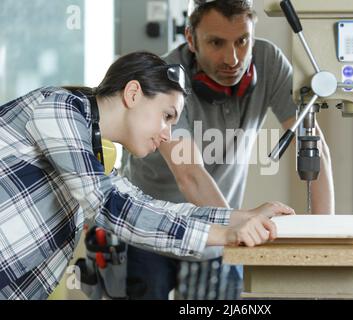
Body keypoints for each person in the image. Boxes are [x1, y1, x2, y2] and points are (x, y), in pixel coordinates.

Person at [0, 51, 295, 300]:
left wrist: (239, 218)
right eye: (167, 116)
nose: (167, 134)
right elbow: (110, 207)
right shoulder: (58, 108)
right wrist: (225, 235)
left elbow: (148, 206)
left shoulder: (94, 156)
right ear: (133, 93)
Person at [121, 0, 335, 300]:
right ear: (191, 39)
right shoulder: (166, 78)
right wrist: (240, 225)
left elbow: (314, 146)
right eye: (216, 43)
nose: (232, 58)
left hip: (215, 228)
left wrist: (324, 240)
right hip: (149, 228)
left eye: (242, 41)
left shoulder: (268, 61)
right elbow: (190, 173)